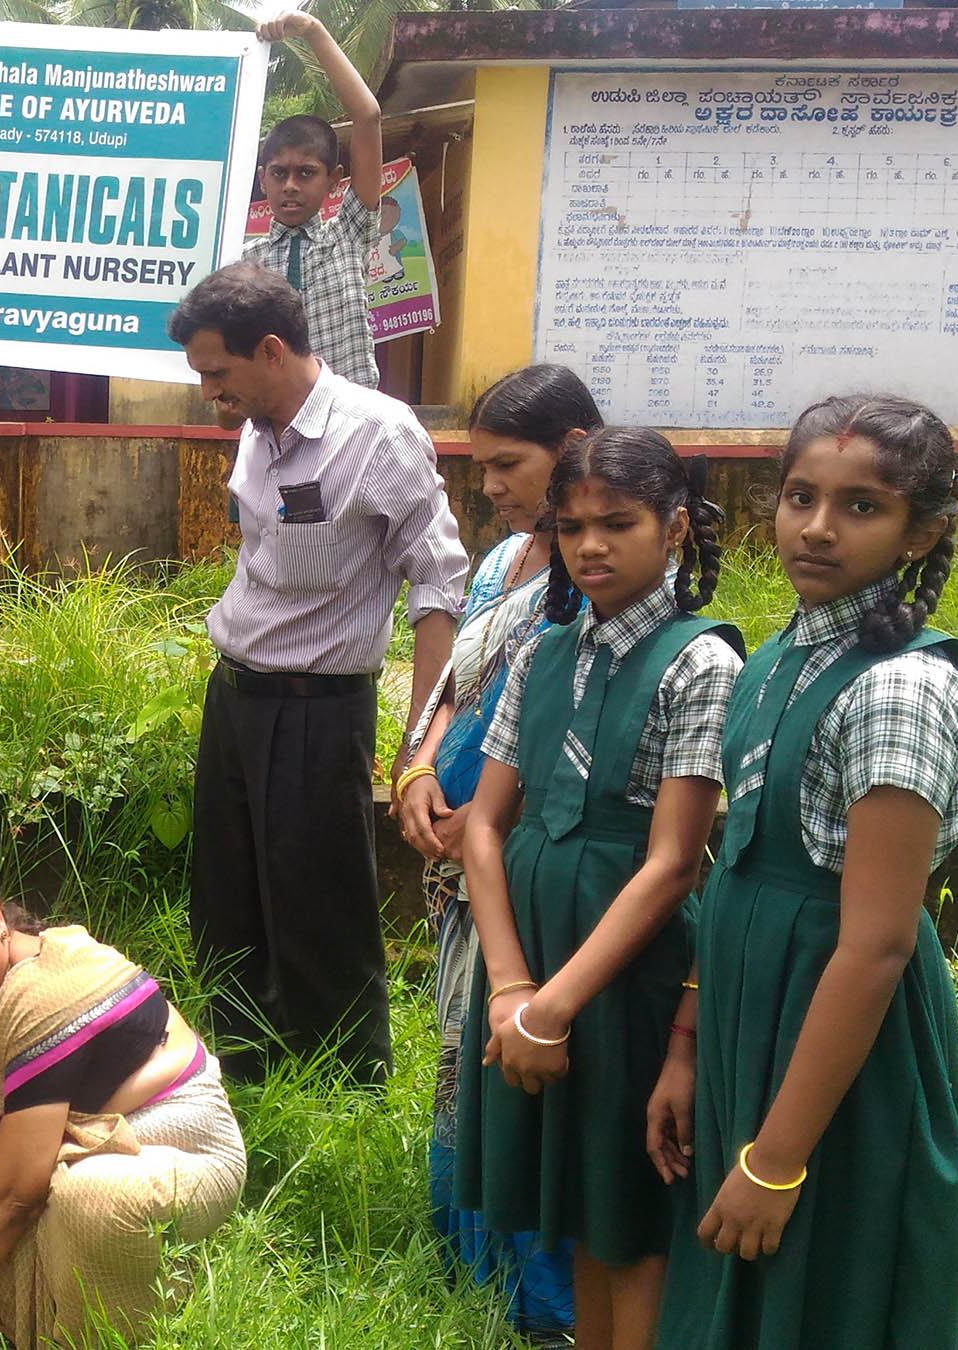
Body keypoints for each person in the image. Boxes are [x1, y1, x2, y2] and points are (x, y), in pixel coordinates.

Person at [653, 396, 958, 1349]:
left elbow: (876, 944)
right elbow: (738, 865)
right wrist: (686, 1045)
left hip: (841, 1031)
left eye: (862, 507)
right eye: (801, 497)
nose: (819, 528)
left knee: (835, 1269)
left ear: (921, 532)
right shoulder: (773, 659)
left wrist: (779, 1160)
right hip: (748, 1009)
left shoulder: (901, 687)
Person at [454, 427, 742, 1350]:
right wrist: (510, 988)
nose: (591, 547)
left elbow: (672, 864)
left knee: (630, 1212)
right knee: (575, 1203)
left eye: (618, 523)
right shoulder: (541, 653)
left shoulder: (701, 662)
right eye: (572, 526)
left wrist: (556, 1006)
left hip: (626, 970)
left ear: (677, 526)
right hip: (528, 952)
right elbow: (487, 826)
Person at [168, 262, 467, 1083]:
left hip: (316, 709)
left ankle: (343, 1086)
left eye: (216, 373)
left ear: (270, 351)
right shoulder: (255, 428)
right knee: (228, 900)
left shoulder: (377, 434)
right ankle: (247, 1070)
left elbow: (440, 584)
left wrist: (420, 742)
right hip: (235, 696)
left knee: (319, 910)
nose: (207, 392)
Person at [398, 366, 598, 1339]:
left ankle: (542, 1302)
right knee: (457, 1060)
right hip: (458, 854)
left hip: (526, 861)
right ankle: (466, 1272)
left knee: (515, 1064)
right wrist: (418, 770)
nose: (489, 485)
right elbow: (453, 684)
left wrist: (482, 811)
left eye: (506, 464)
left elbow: (574, 740)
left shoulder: (598, 577)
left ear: (573, 450)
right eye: (481, 466)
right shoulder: (505, 560)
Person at [0, 855, 245, 1347]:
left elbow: (15, 1195)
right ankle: (32, 1320)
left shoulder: (45, 990)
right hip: (71, 1145)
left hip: (183, 1148)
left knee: (93, 1196)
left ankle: (137, 1315)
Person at [246, 11, 385, 389]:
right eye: (279, 173)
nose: (290, 185)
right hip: (278, 419)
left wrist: (314, 31)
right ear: (263, 181)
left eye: (305, 173)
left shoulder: (348, 236)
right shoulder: (247, 262)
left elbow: (368, 116)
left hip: (351, 417)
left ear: (333, 180)